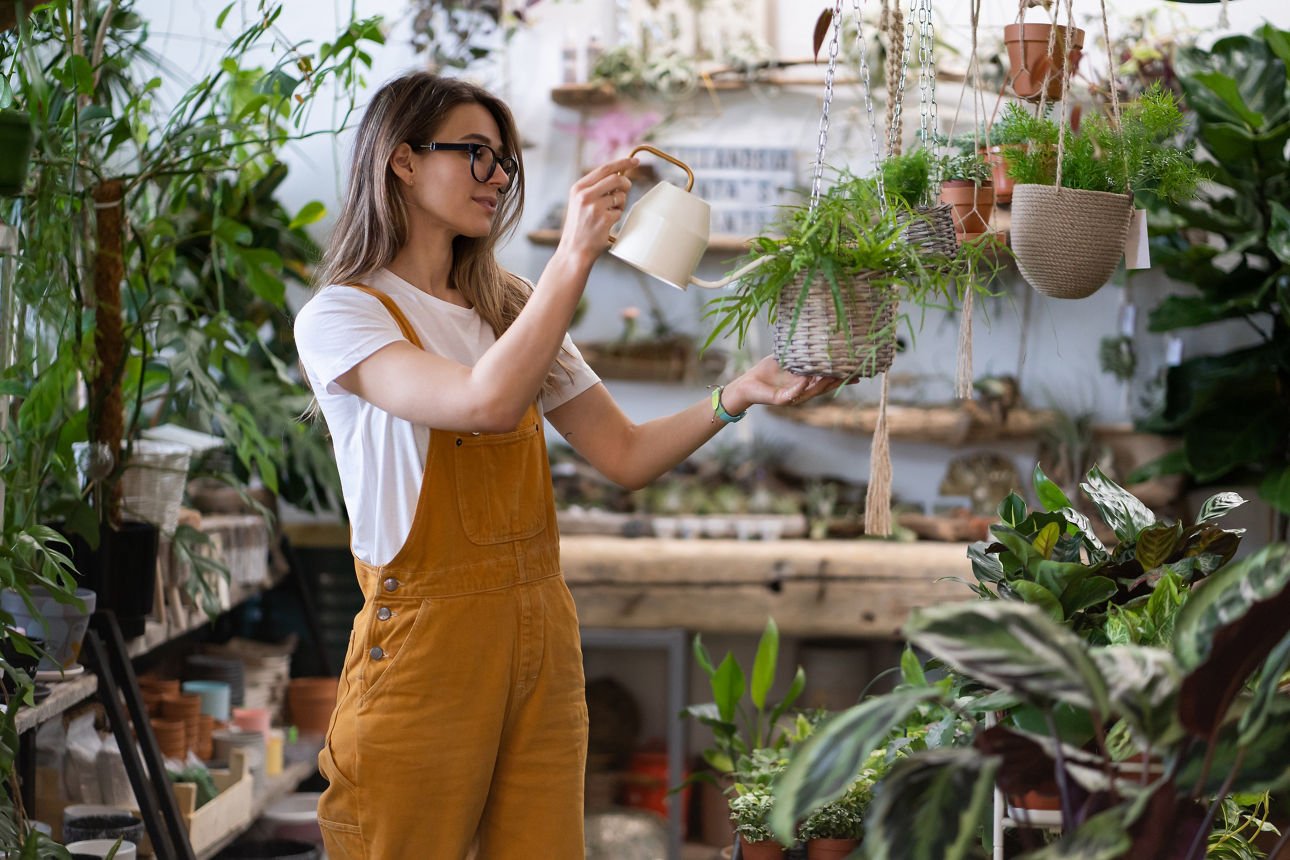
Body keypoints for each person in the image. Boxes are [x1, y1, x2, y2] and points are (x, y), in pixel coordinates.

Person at [293, 71, 842, 860]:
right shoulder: (345, 314)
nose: (498, 177)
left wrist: (739, 394)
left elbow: (622, 455)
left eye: (505, 161)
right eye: (475, 154)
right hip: (424, 652)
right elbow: (482, 401)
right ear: (402, 161)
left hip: (540, 640)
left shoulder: (508, 306)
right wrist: (575, 256)